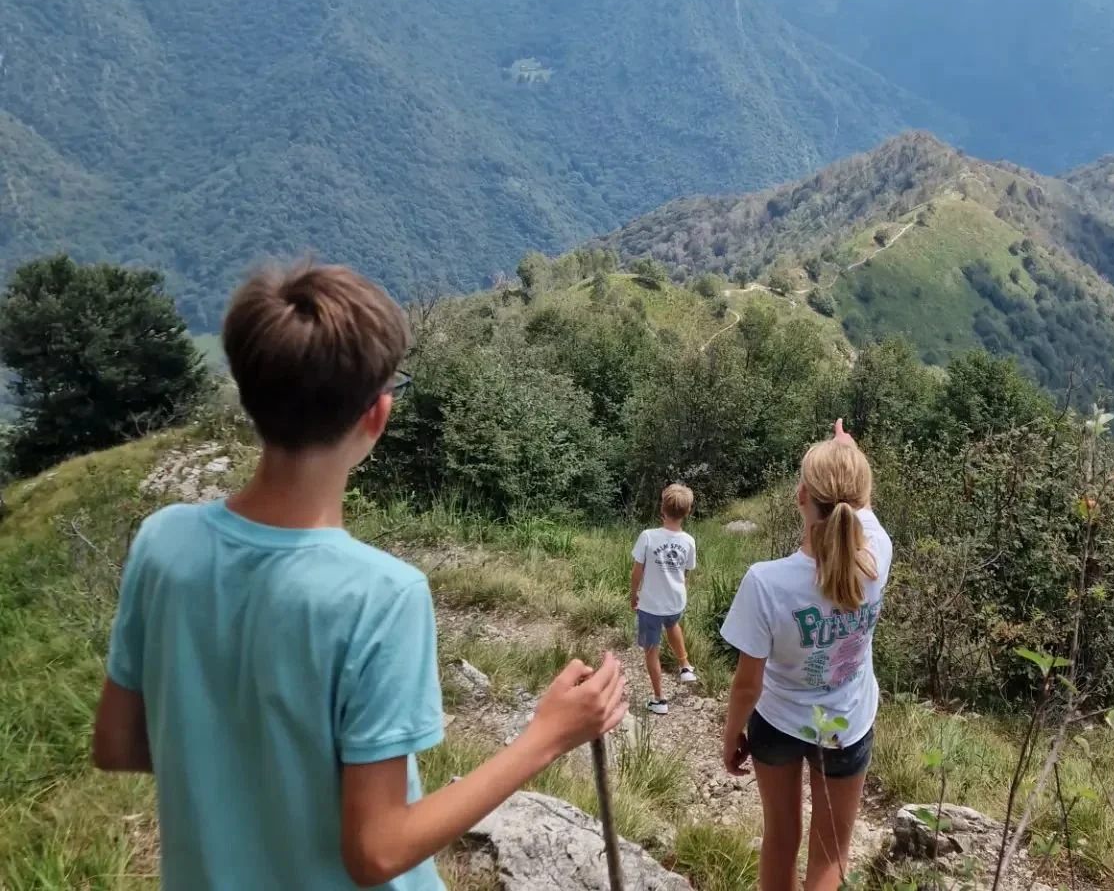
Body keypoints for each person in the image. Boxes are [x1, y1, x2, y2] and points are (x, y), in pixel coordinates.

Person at [90, 263, 628, 890]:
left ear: (247, 393)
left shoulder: (163, 542)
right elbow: (376, 852)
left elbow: (117, 744)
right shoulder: (381, 596)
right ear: (377, 413)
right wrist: (547, 735)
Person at [719, 420, 892, 891]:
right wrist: (848, 454)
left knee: (779, 838)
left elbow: (748, 684)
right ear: (862, 498)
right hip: (846, 727)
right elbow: (862, 504)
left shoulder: (765, 582)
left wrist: (732, 732)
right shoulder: (878, 556)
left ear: (800, 496)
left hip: (775, 725)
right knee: (832, 852)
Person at [630, 482, 700, 715]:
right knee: (672, 624)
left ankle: (659, 700)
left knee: (652, 648)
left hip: (650, 604)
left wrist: (634, 595)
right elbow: (686, 571)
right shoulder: (689, 541)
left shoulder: (648, 536)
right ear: (687, 512)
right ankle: (684, 665)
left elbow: (637, 572)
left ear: (662, 508)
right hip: (675, 600)